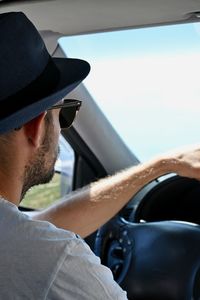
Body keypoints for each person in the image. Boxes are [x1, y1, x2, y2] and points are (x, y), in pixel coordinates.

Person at [0, 11, 200, 299]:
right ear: (35, 127)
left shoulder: (26, 245)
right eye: (63, 114)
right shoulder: (56, 262)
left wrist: (162, 164)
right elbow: (32, 243)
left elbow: (34, 228)